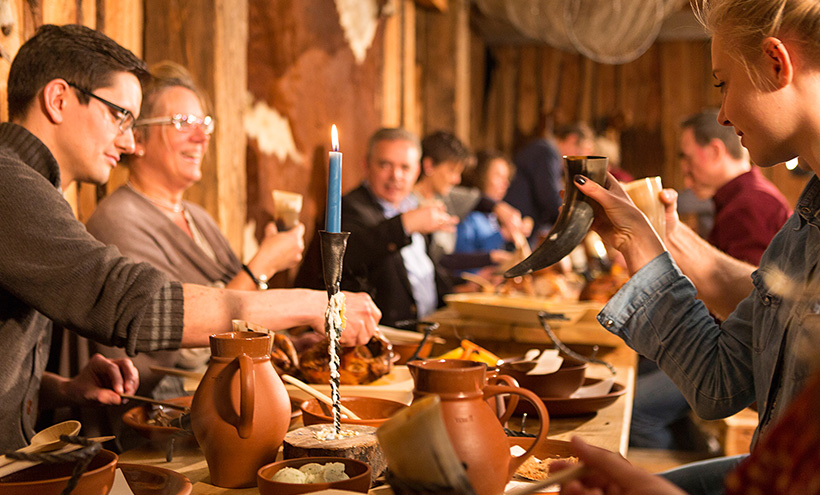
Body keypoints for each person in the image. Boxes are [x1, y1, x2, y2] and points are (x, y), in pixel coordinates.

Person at [0, 24, 379, 451]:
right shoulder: (8, 184)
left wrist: (61, 389)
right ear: (58, 99)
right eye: (119, 115)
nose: (128, 141)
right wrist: (314, 302)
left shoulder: (34, 190)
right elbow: (129, 301)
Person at [565, 0, 820, 492]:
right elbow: (719, 380)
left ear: (776, 62)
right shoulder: (800, 230)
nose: (722, 114)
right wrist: (636, 240)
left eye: (723, 83)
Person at [82, 60, 305, 401]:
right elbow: (180, 343)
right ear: (137, 138)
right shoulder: (117, 219)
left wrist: (287, 343)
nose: (201, 137)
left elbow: (240, 309)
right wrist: (262, 265)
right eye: (183, 122)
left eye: (204, 124)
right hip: (166, 411)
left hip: (235, 393)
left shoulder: (198, 217)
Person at [630, 109, 792, 451]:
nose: (685, 170)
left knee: (633, 408)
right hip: (724, 351)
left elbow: (748, 309)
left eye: (688, 158)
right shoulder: (739, 199)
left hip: (734, 361)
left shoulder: (752, 203)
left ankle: (681, 463)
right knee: (631, 377)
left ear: (716, 151)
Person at [296, 127, 458, 326]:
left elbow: (424, 273)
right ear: (366, 165)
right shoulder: (349, 208)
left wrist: (461, 291)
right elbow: (353, 253)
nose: (396, 176)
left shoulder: (413, 206)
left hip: (424, 330)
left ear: (416, 172)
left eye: (405, 168)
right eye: (385, 165)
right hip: (377, 337)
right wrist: (405, 224)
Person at [504, 122, 596, 242]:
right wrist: (573, 220)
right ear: (571, 139)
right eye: (579, 153)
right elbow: (550, 196)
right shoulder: (547, 152)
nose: (578, 161)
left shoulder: (547, 152)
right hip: (515, 224)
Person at [453, 150, 518, 276]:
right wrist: (503, 234)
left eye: (506, 178)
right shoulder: (467, 214)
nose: (505, 184)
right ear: (481, 176)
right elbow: (462, 265)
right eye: (498, 176)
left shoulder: (492, 217)